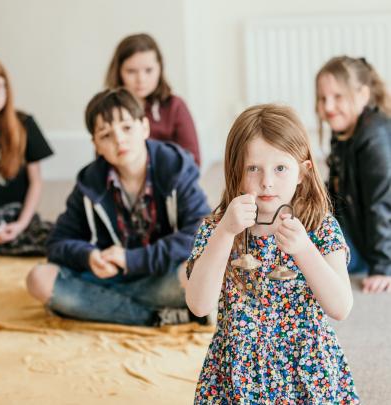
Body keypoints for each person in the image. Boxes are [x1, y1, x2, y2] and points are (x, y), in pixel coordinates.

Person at [185, 104, 359, 403]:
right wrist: (224, 233)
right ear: (235, 172)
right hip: (238, 373)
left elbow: (340, 307)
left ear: (304, 173)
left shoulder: (319, 226)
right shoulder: (218, 228)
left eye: (280, 168)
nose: (266, 181)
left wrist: (304, 250)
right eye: (253, 168)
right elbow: (199, 306)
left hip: (306, 367)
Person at [26, 87, 210, 326]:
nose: (119, 140)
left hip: (162, 276)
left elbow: (200, 233)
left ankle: (101, 307)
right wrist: (89, 256)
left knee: (199, 275)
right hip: (112, 278)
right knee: (38, 279)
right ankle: (154, 317)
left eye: (126, 128)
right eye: (106, 135)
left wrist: (132, 259)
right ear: (96, 145)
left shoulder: (175, 168)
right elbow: (57, 243)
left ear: (144, 127)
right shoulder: (89, 183)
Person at [316, 55, 391, 294]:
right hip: (355, 226)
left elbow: (382, 203)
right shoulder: (345, 131)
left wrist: (382, 266)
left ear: (362, 95)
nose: (328, 107)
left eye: (338, 97)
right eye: (322, 98)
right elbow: (337, 189)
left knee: (306, 252)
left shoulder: (373, 137)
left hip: (373, 245)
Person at [0, 56, 53, 256]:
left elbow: (36, 182)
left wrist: (21, 224)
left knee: (57, 240)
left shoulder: (24, 124)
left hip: (17, 214)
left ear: (7, 89)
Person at [105, 33, 201, 166]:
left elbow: (194, 161)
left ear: (159, 68)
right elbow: (103, 160)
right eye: (131, 71)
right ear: (119, 72)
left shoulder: (175, 106)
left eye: (148, 70)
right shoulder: (108, 111)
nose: (141, 79)